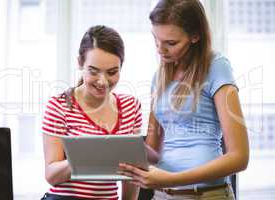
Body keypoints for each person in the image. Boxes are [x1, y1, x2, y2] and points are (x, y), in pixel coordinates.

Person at [118, 0, 249, 199]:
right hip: (162, 195)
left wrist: (171, 179)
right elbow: (153, 151)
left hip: (206, 194)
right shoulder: (159, 76)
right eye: (156, 39)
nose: (160, 50)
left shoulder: (216, 66)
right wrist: (117, 144)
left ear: (195, 36)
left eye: (171, 43)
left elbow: (239, 157)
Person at [41, 25, 143, 200]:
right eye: (93, 71)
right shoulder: (59, 105)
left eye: (112, 72)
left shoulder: (130, 107)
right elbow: (51, 176)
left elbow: (131, 175)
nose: (102, 82)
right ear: (80, 63)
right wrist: (85, 156)